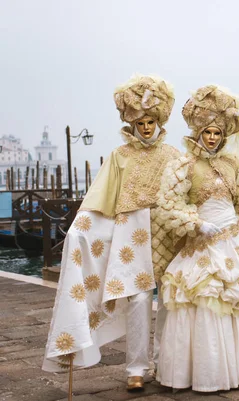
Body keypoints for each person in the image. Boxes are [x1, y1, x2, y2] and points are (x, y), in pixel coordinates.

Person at [42, 74, 180, 392]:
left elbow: (187, 193)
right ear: (132, 123)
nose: (146, 127)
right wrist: (80, 229)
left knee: (172, 297)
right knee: (138, 297)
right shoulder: (120, 157)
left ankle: (168, 364)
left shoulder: (174, 156)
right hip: (132, 233)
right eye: (140, 122)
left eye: (151, 121)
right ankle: (137, 368)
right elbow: (101, 196)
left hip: (169, 231)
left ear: (159, 120)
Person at [153, 85, 239, 392]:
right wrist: (196, 224)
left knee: (236, 301)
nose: (212, 137)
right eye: (208, 132)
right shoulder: (183, 165)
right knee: (203, 300)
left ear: (223, 135)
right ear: (199, 132)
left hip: (233, 242)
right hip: (202, 244)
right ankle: (203, 373)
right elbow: (166, 205)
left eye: (217, 132)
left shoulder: (232, 164)